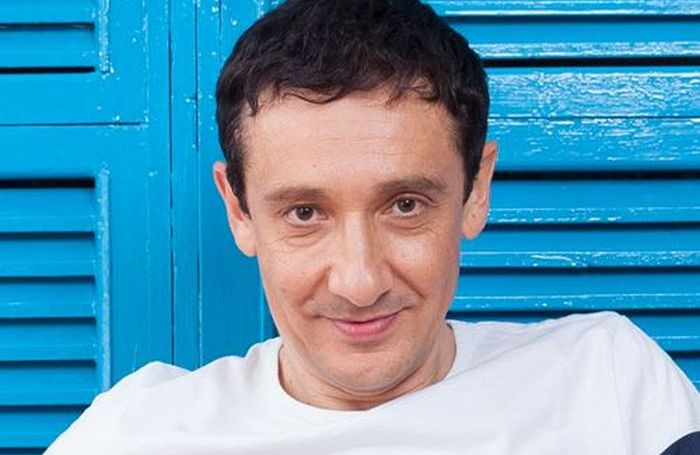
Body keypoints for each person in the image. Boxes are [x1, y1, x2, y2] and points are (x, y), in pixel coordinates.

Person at [47, 0, 699, 453]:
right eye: (304, 213)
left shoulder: (609, 382)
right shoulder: (134, 433)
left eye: (406, 205)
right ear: (239, 210)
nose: (359, 283)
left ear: (475, 191)